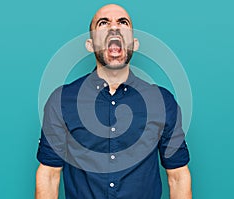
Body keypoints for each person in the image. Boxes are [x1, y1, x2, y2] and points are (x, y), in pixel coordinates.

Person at [35, 4, 192, 199]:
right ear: (90, 45)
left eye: (122, 22)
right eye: (103, 23)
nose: (114, 27)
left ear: (134, 43)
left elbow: (178, 176)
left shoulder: (162, 101)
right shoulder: (61, 101)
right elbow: (49, 174)